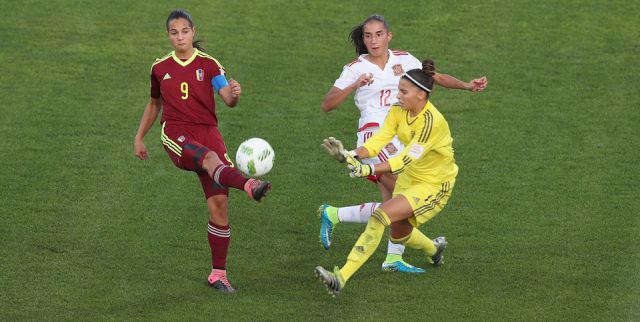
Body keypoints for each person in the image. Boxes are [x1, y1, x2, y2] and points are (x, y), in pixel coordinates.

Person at [319, 14, 486, 273]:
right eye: (368, 36)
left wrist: (466, 85)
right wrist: (355, 84)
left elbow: (433, 78)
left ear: (389, 36)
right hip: (374, 135)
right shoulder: (354, 67)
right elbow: (328, 104)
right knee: (404, 197)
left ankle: (389, 255)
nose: (373, 41)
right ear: (363, 39)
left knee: (396, 202)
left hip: (402, 134)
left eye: (378, 34)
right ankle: (343, 222)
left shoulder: (404, 59)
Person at [133, 9, 271, 294]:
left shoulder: (209, 65)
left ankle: (218, 275)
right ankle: (250, 184)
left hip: (209, 132)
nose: (180, 37)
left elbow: (226, 99)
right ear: (168, 36)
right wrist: (139, 138)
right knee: (211, 160)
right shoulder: (159, 68)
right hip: (177, 132)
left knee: (219, 205)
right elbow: (154, 104)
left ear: (193, 32)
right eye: (174, 33)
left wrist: (234, 93)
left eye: (185, 31)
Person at [315, 59, 457, 296]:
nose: (397, 95)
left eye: (403, 91)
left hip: (433, 185)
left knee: (380, 216)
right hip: (409, 180)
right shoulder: (398, 109)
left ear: (421, 95)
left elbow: (404, 160)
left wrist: (368, 170)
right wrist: (351, 154)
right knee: (400, 233)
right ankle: (434, 249)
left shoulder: (432, 123)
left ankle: (341, 277)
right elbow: (380, 140)